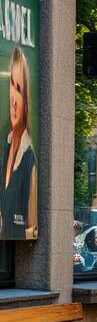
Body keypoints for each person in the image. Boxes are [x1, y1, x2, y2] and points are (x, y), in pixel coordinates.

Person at [1, 47, 37, 241]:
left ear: (26, 99)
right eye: (12, 86)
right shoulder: (4, 145)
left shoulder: (29, 159)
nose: (13, 99)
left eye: (19, 89)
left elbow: (31, 227)